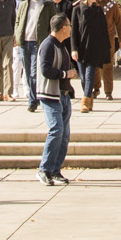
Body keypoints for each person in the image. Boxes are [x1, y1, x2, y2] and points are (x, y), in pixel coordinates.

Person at [36, 13, 77, 186]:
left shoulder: (61, 45)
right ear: (63, 27)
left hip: (64, 95)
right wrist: (65, 74)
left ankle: (55, 170)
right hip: (51, 95)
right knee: (56, 130)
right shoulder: (48, 45)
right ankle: (44, 169)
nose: (71, 28)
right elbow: (45, 70)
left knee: (64, 135)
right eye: (69, 25)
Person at [74, 0, 119, 112]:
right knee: (83, 77)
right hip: (81, 48)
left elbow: (103, 29)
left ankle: (85, 101)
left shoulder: (98, 10)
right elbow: (73, 31)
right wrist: (73, 49)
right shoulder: (77, 10)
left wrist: (107, 47)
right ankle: (89, 99)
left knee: (89, 75)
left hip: (93, 49)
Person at [16, 0, 54, 112]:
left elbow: (53, 22)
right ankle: (36, 98)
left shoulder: (47, 4)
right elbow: (18, 20)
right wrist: (17, 34)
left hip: (38, 43)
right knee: (27, 73)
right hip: (24, 42)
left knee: (33, 73)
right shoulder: (24, 3)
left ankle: (33, 101)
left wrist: (49, 39)